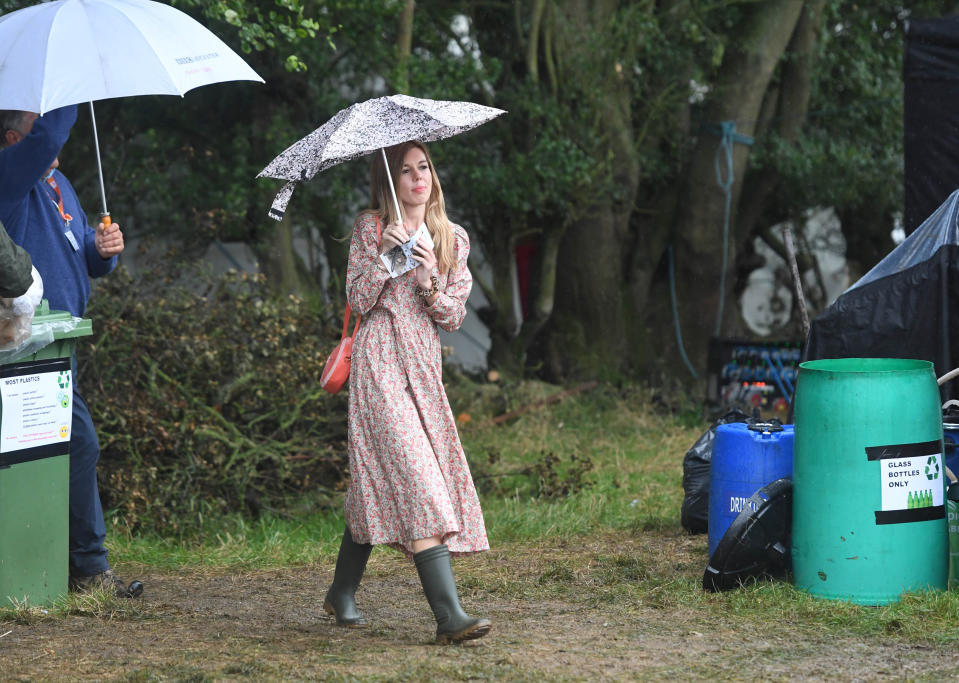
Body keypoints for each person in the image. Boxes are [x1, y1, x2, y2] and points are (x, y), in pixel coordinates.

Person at [323, 141, 491, 644]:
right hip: (378, 362)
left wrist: (426, 280)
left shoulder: (451, 237)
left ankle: (340, 592)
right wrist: (384, 257)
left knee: (375, 483)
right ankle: (449, 617)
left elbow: (454, 316)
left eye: (424, 167)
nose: (418, 178)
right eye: (405, 170)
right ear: (388, 182)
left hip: (422, 364)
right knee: (418, 477)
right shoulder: (371, 228)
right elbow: (356, 297)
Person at [0, 105, 142, 598]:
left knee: (61, 446)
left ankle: (72, 566)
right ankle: (87, 569)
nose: (50, 141)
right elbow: (47, 139)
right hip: (23, 344)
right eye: (37, 128)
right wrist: (70, 92)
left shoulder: (58, 184)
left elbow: (80, 249)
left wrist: (103, 250)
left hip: (62, 343)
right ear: (16, 139)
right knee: (76, 443)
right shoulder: (8, 179)